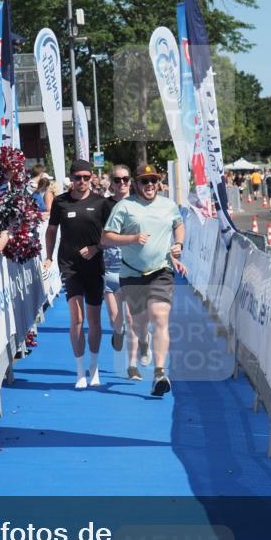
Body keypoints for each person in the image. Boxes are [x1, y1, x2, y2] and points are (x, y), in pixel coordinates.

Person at [102, 163, 186, 396]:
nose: (149, 185)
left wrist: (178, 244)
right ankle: (142, 340)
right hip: (131, 273)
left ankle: (159, 373)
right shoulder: (124, 207)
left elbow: (179, 225)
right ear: (136, 184)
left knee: (160, 317)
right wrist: (132, 239)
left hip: (161, 270)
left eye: (153, 181)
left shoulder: (168, 205)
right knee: (138, 323)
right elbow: (107, 237)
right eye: (144, 181)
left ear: (158, 183)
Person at [44, 158, 116, 389]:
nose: (82, 181)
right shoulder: (60, 202)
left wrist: (97, 247)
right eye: (78, 178)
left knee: (94, 320)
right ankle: (79, 372)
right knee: (77, 318)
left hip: (94, 266)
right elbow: (51, 230)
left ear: (92, 177)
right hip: (69, 266)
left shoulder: (102, 203)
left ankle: (93, 369)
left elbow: (111, 234)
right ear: (71, 179)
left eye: (86, 177)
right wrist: (48, 257)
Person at [102, 165, 134, 354]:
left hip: (134, 266)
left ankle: (134, 361)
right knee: (116, 318)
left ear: (130, 181)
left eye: (125, 179)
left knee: (131, 317)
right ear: (111, 184)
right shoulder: (103, 205)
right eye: (117, 180)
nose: (122, 183)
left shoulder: (140, 204)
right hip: (109, 265)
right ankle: (118, 332)